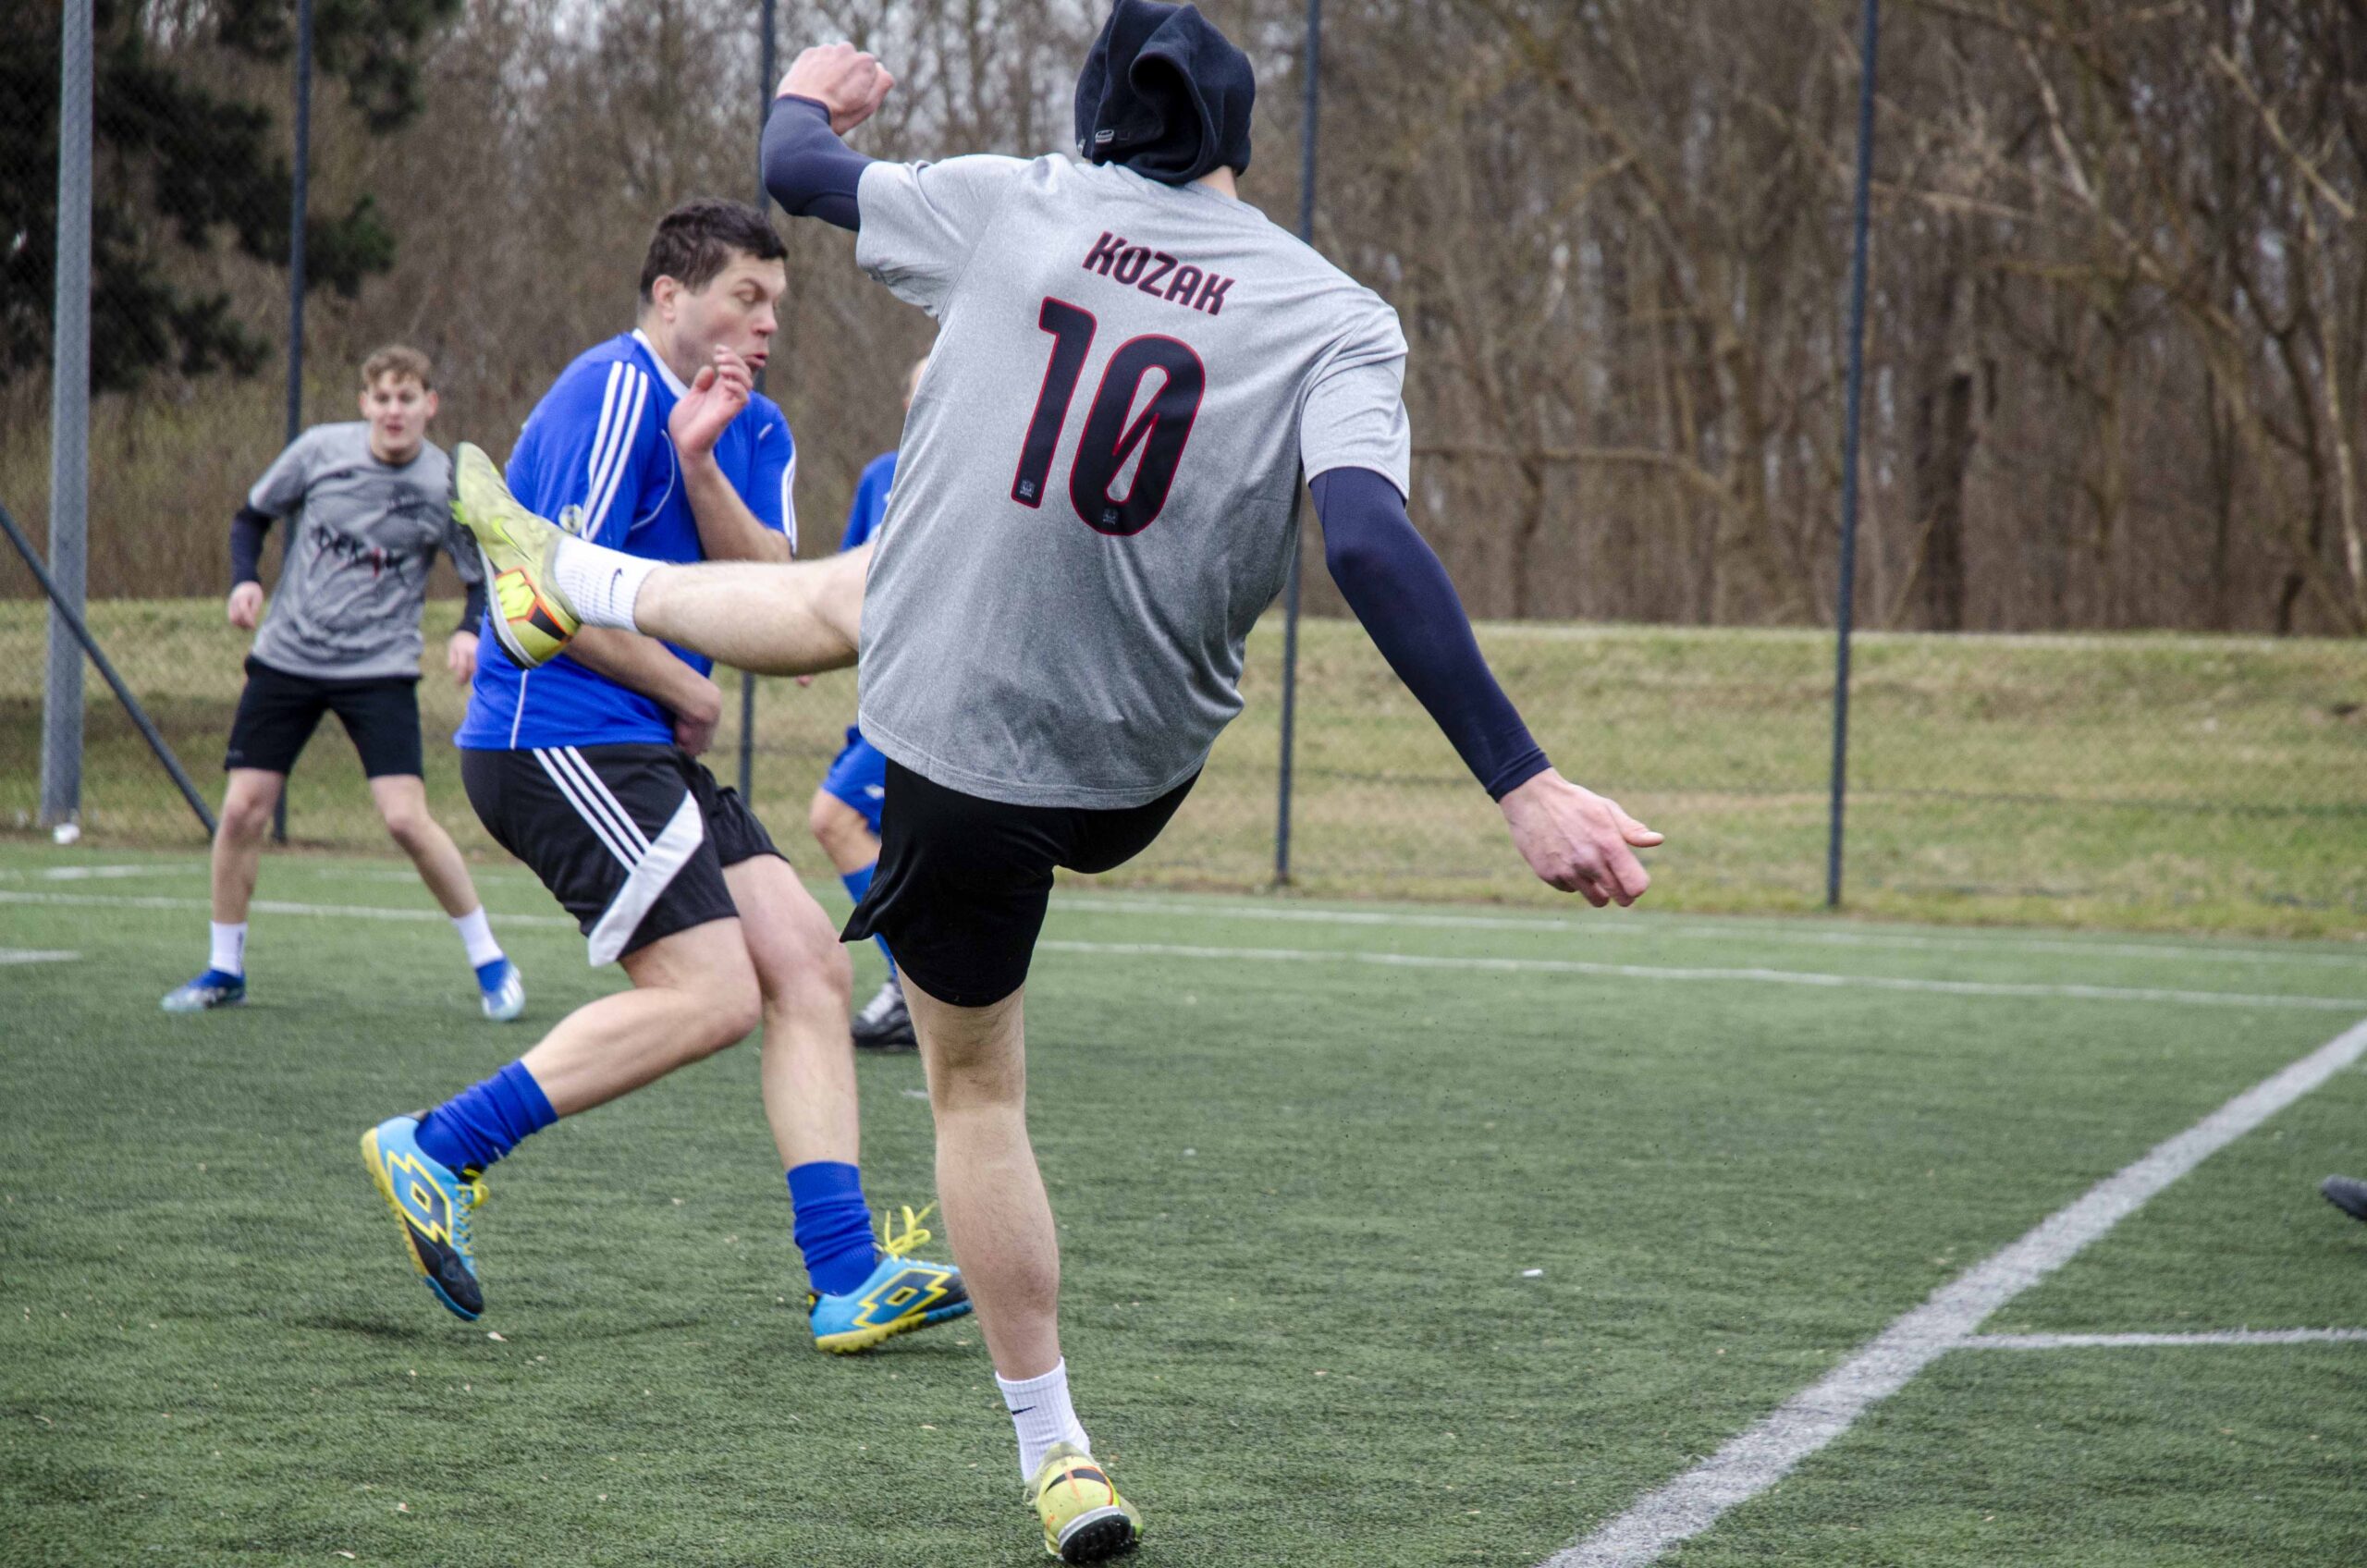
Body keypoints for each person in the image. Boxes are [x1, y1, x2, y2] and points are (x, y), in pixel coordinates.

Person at [455, 10, 1660, 1559]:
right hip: (1134, 759)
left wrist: (806, 93)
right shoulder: (1337, 313)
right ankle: (567, 579)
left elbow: (797, 169)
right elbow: (1365, 540)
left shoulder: (1021, 202)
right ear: (1235, 140)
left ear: (1100, 121)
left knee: (975, 1088)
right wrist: (1523, 781)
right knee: (865, 586)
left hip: (957, 755)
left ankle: (1061, 1454)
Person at [360, 201, 966, 1357]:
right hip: (554, 738)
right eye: (746, 296)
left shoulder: (754, 425)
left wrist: (699, 462)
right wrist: (686, 685)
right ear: (670, 296)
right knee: (712, 993)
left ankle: (846, 1277)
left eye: (777, 302)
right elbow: (538, 593)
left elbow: (774, 584)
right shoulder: (609, 390)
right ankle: (438, 1147)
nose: (768, 321)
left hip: (639, 746)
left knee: (808, 967)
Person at [162, 346, 523, 1023]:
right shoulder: (319, 452)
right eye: (382, 398)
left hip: (378, 669)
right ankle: (224, 969)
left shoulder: (445, 482)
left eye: (407, 398)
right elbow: (251, 517)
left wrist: (468, 631)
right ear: (364, 404)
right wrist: (245, 580)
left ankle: (492, 963)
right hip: (288, 657)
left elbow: (481, 578)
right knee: (242, 811)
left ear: (430, 405)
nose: (394, 411)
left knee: (405, 819)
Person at [811, 354, 928, 1052]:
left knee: (837, 816)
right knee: (901, 842)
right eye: (921, 389)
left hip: (932, 695)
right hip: (882, 693)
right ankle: (921, 988)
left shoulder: (981, 479)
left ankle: (915, 990)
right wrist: (811, 644)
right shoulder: (880, 476)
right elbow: (847, 575)